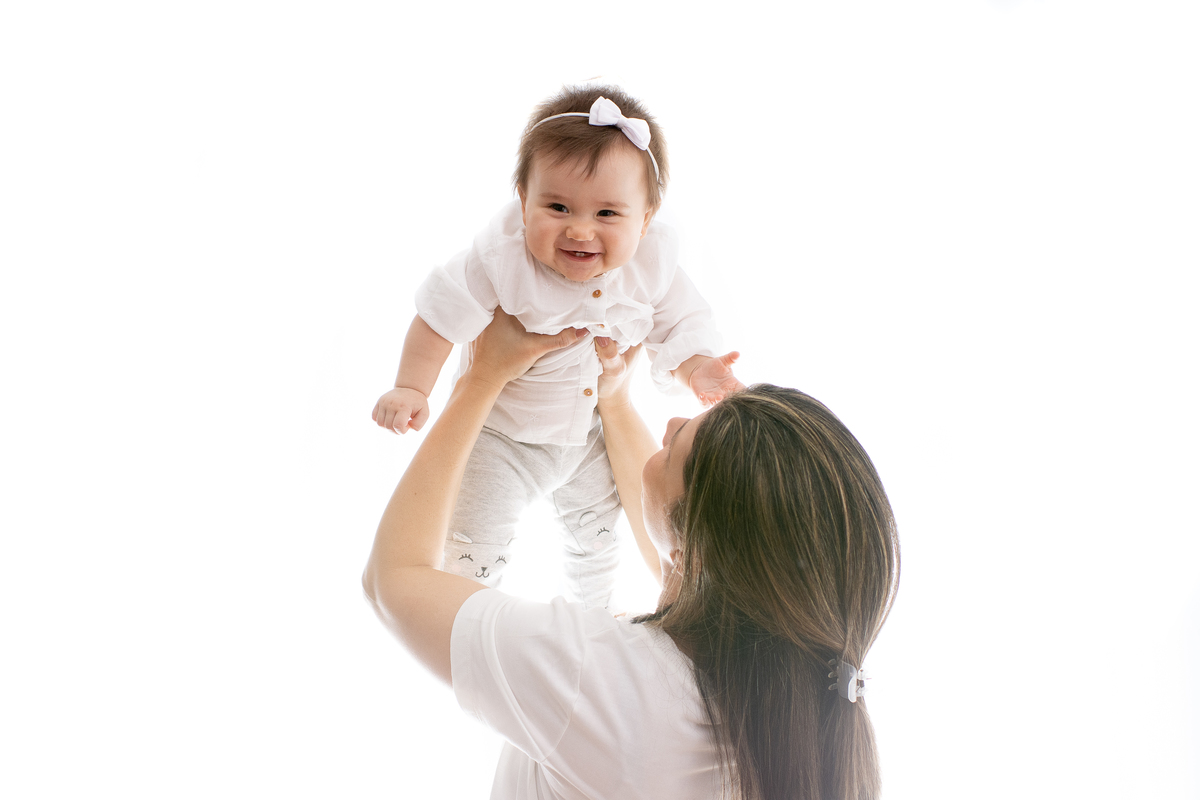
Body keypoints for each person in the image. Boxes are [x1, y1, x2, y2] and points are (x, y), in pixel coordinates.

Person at [362, 310, 901, 800]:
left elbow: (394, 580)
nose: (669, 423)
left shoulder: (590, 676)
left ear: (696, 557)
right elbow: (673, 543)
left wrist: (481, 379)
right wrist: (615, 401)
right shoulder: (785, 718)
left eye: (680, 437)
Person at [370, 84, 743, 609]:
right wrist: (412, 386)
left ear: (647, 216)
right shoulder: (501, 259)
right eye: (558, 206)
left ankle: (590, 619)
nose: (580, 230)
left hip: (589, 434)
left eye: (608, 214)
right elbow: (439, 315)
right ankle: (467, 618)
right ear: (523, 201)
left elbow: (681, 326)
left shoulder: (652, 266)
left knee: (597, 542)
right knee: (474, 543)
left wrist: (700, 371)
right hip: (500, 435)